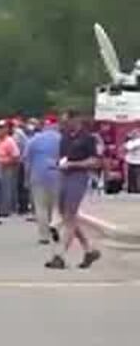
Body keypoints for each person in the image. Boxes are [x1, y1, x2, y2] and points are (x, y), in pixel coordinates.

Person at [50, 110, 103, 270]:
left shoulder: (88, 138)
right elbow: (62, 156)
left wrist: (74, 164)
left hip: (78, 177)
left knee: (70, 215)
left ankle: (60, 255)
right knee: (67, 216)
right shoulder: (65, 138)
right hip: (64, 176)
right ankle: (89, 250)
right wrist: (58, 164)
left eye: (67, 121)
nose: (64, 125)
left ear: (76, 120)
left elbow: (95, 161)